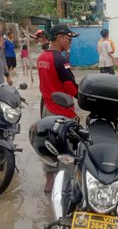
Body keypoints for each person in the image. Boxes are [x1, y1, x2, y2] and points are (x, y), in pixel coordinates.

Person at [36, 24, 79, 192]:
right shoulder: (60, 60)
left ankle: (49, 182)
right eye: (69, 39)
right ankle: (66, 186)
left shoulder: (41, 57)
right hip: (63, 111)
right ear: (60, 37)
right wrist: (83, 97)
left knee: (48, 144)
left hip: (46, 108)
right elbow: (70, 88)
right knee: (66, 149)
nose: (70, 42)